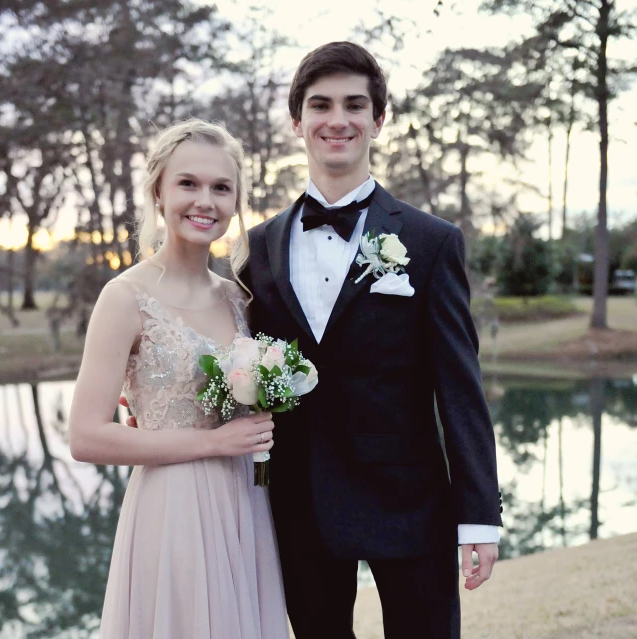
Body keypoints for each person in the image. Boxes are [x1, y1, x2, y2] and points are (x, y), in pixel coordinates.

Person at [239, 42, 503, 639]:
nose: (338, 119)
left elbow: (461, 390)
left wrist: (479, 518)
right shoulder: (257, 248)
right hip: (299, 504)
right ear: (297, 121)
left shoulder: (432, 242)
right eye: (321, 105)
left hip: (410, 503)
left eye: (355, 105)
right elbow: (240, 360)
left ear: (378, 120)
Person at [68, 119, 288, 639]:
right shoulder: (124, 297)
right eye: (188, 183)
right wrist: (213, 441)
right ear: (158, 192)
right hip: (173, 509)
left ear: (236, 202)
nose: (204, 201)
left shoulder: (240, 298)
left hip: (244, 502)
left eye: (221, 187)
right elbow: (85, 436)